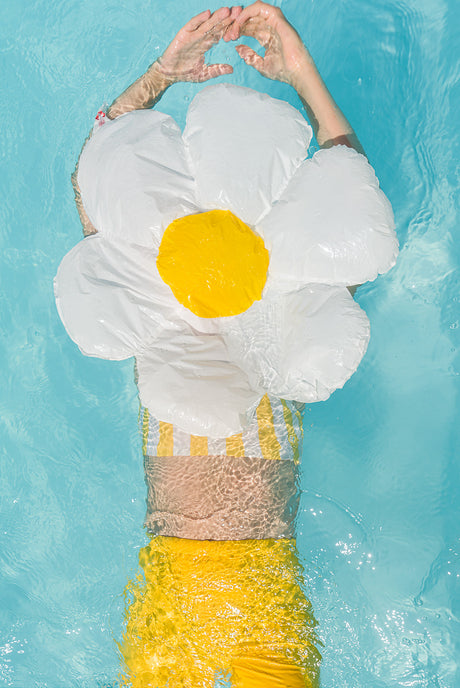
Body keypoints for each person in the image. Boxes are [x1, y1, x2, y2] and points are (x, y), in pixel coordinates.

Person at [65, 3, 390, 686]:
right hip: (184, 584)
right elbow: (98, 184)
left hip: (244, 587)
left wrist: (302, 73)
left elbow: (344, 206)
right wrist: (161, 73)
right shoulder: (149, 303)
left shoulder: (293, 300)